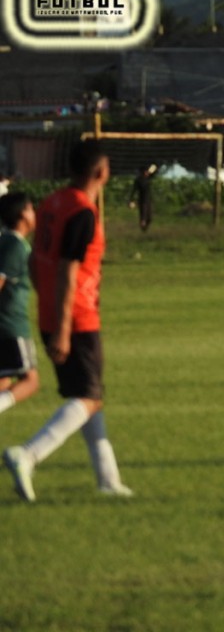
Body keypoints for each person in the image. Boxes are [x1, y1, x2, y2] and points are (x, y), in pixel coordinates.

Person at [3, 139, 132, 502]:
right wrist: (63, 327)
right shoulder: (82, 212)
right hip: (76, 317)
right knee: (88, 398)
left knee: (88, 396)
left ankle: (108, 480)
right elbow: (67, 271)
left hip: (53, 313)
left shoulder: (52, 203)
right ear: (101, 172)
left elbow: (35, 260)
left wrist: (47, 306)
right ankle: (28, 454)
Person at [0, 192, 39, 419]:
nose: (35, 214)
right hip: (12, 325)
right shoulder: (14, 246)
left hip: (5, 325)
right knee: (30, 381)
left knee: (4, 381)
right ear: (22, 214)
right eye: (31, 208)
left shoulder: (5, 241)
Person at [128, 163, 157, 231]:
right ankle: (143, 226)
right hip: (142, 200)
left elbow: (154, 171)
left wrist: (153, 168)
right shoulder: (138, 180)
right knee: (143, 215)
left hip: (148, 200)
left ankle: (144, 227)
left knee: (149, 217)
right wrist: (131, 199)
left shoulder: (148, 178)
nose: (146, 172)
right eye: (145, 171)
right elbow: (134, 190)